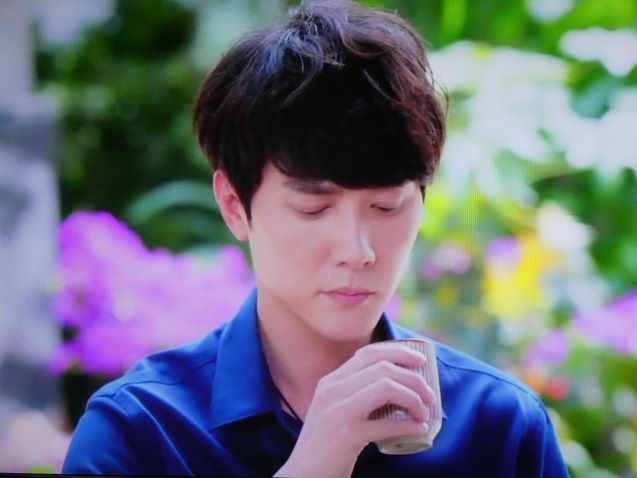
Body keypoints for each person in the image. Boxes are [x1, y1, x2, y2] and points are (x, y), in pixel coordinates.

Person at [62, 0, 569, 476]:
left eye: (387, 206)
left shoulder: (499, 427)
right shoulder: (141, 432)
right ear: (235, 205)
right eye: (313, 208)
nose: (357, 251)